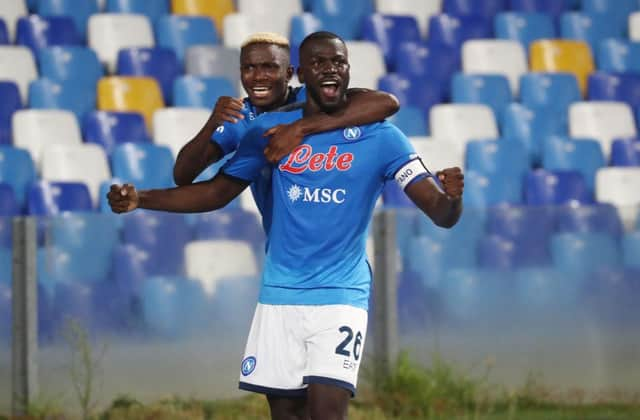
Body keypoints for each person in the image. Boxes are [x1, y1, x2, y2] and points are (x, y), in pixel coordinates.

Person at [108, 31, 464, 420]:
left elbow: (440, 210)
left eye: (338, 63)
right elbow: (212, 191)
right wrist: (142, 198)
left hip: (340, 295)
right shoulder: (265, 130)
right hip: (280, 293)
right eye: (319, 63)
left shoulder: (381, 136)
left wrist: (453, 199)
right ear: (303, 74)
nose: (329, 69)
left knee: (327, 413)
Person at [173, 32, 399, 187]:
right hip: (282, 238)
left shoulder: (313, 96)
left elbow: (386, 103)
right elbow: (183, 176)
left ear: (289, 73)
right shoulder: (240, 117)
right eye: (249, 68)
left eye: (269, 67)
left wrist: (301, 127)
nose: (259, 77)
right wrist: (211, 124)